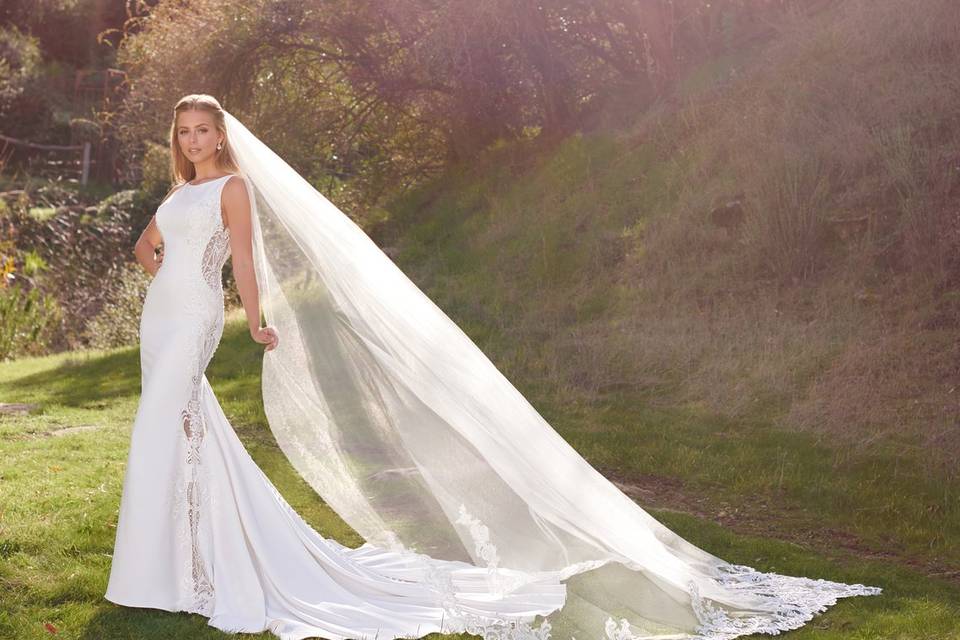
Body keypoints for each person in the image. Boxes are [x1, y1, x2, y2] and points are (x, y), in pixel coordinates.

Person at [105, 94, 882, 640]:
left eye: (206, 129)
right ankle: (175, 560)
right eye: (187, 130)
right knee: (175, 429)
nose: (197, 139)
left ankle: (167, 569)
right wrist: (170, 277)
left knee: (168, 425)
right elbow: (146, 249)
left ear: (222, 136)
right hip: (161, 317)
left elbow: (244, 257)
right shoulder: (181, 190)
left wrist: (252, 319)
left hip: (195, 321)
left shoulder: (234, 186)